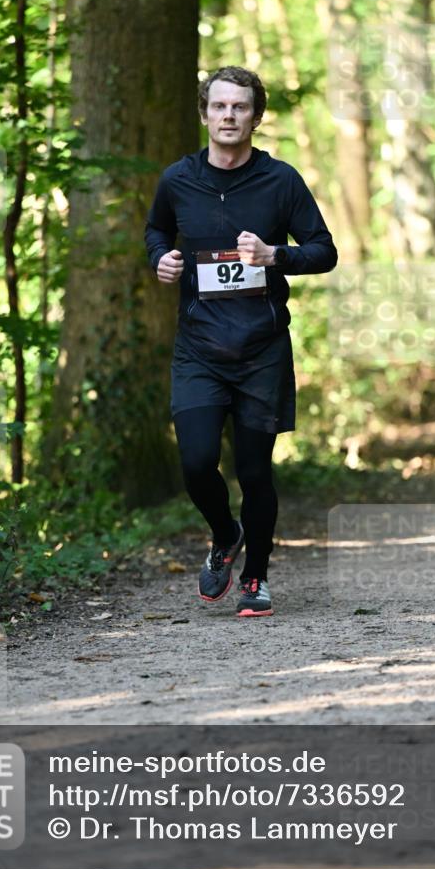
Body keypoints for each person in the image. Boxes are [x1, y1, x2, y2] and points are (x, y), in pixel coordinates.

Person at [144, 66, 337, 617]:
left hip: (261, 350)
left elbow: (324, 250)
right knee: (197, 462)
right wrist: (161, 258)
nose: (230, 116)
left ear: (256, 116)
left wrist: (277, 255)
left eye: (241, 107)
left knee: (255, 472)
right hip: (199, 349)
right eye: (220, 106)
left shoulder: (281, 182)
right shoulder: (178, 179)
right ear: (205, 113)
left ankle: (255, 577)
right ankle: (225, 533)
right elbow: (156, 230)